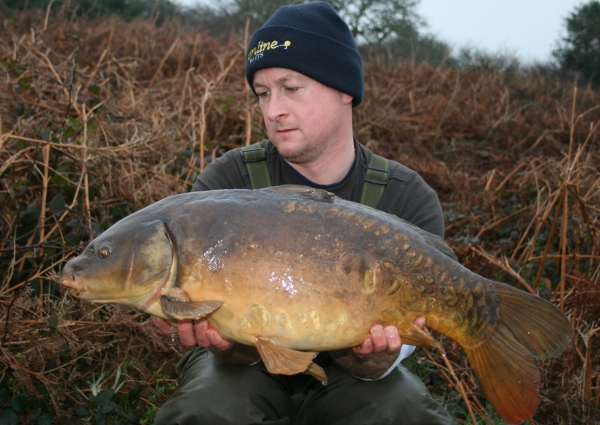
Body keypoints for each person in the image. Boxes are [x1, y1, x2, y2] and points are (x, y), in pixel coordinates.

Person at [153, 2, 454, 424]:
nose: (273, 110)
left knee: (402, 409)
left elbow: (392, 358)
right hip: (243, 367)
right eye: (263, 93)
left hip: (352, 377)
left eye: (291, 88)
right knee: (213, 404)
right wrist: (224, 342)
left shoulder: (406, 199)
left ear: (343, 89)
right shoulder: (225, 183)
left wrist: (375, 358)